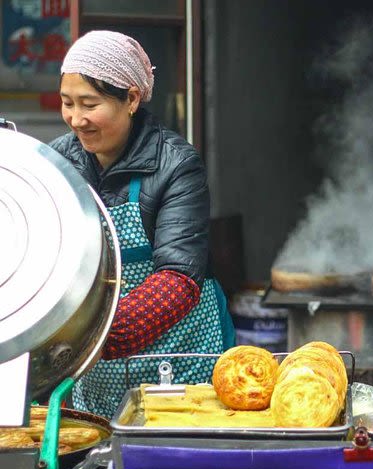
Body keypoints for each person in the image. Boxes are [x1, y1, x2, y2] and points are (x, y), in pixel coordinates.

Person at [50, 30, 235, 418]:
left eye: (90, 104)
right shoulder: (57, 162)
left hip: (178, 358)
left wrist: (93, 334)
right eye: (67, 103)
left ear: (131, 99)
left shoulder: (176, 165)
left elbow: (179, 278)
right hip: (95, 370)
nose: (76, 119)